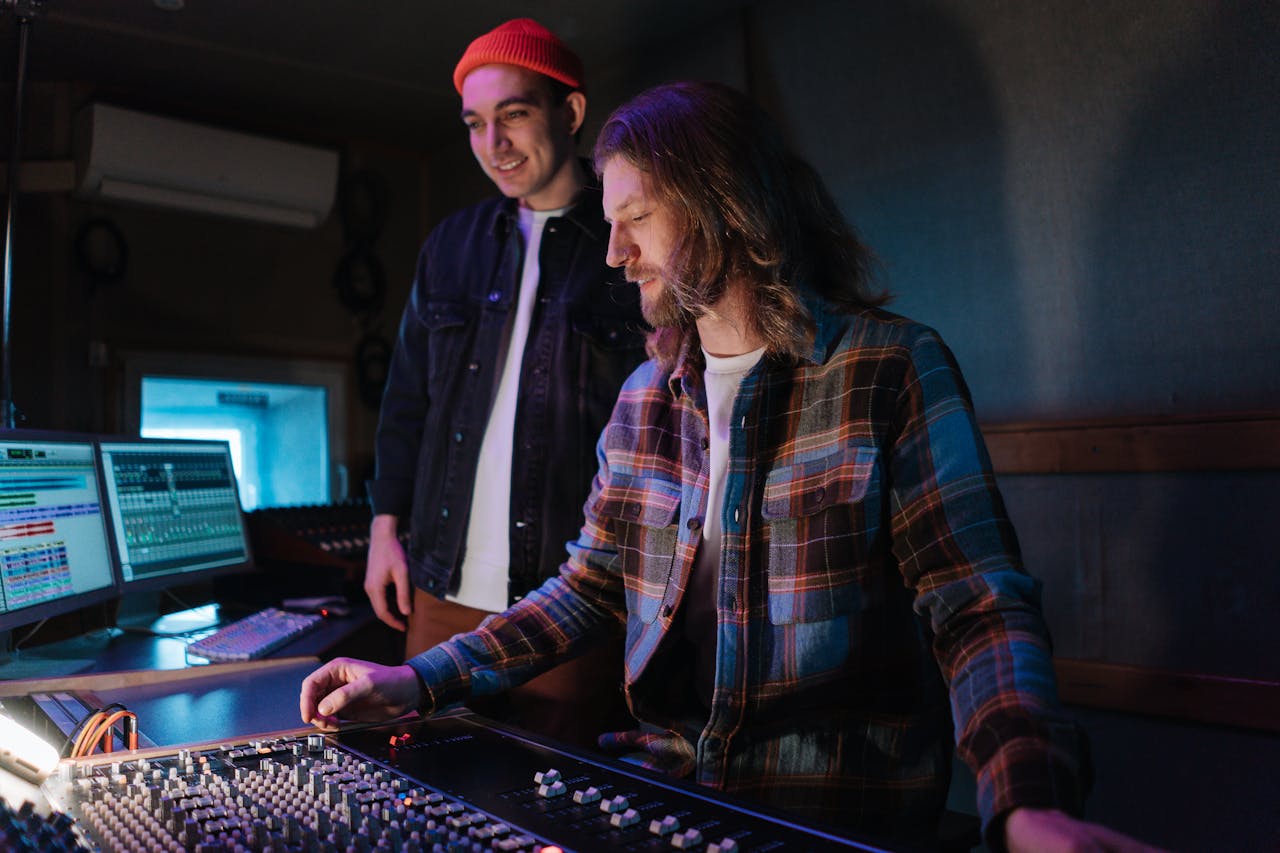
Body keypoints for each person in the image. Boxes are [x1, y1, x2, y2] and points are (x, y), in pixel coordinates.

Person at [306, 82, 1163, 852]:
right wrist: (416, 678)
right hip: (669, 796)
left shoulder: (890, 369)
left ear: (724, 206)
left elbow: (975, 607)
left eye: (636, 219)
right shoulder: (644, 399)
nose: (614, 253)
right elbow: (588, 587)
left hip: (837, 816)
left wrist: (1025, 804)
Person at [361, 18, 646, 746]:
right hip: (439, 590)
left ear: (570, 114)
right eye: (476, 124)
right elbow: (406, 399)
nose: (495, 144)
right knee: (428, 790)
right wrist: (385, 527)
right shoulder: (451, 244)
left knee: (556, 803)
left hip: (567, 602)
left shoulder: (630, 245)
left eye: (514, 114)